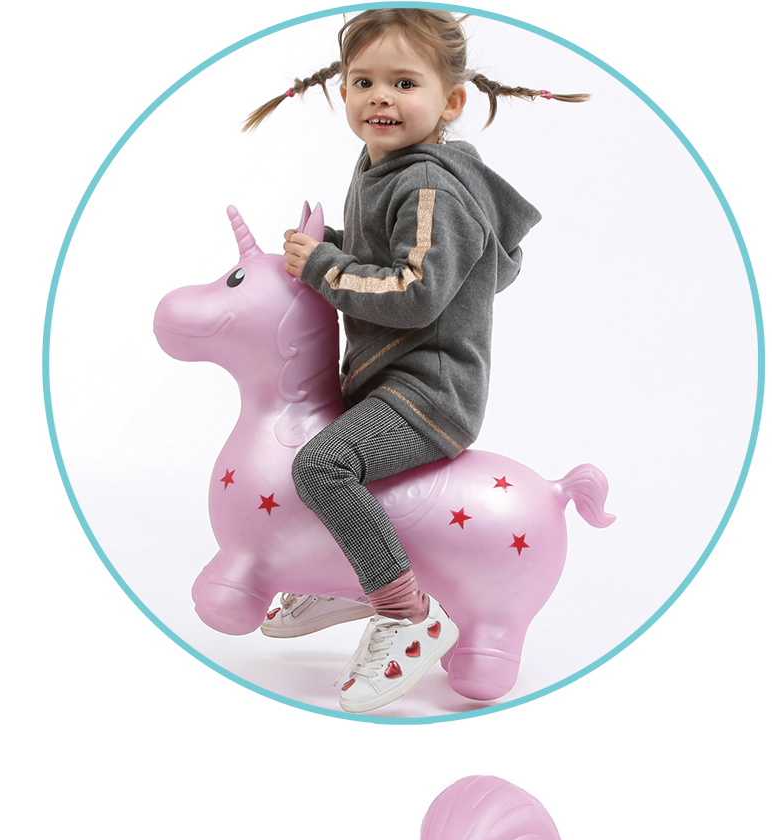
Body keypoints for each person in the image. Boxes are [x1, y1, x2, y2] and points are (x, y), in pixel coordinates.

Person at [245, 9, 585, 714]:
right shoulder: (381, 164)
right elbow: (393, 253)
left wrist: (327, 266)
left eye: (404, 83)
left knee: (321, 467)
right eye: (363, 81)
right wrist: (335, 243)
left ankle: (407, 615)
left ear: (450, 101)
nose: (380, 97)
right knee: (308, 449)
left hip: (428, 394)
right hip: (382, 382)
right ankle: (343, 574)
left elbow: (416, 292)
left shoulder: (430, 184)